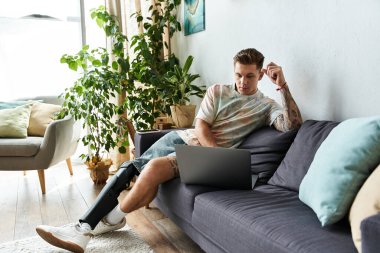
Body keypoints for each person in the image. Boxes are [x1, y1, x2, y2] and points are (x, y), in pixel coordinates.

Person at [36, 48, 302, 253]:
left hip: (204, 159)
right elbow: (201, 125)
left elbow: (292, 125)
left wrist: (283, 85)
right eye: (238, 75)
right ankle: (92, 225)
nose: (242, 82)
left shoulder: (266, 105)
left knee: (150, 169)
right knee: (133, 167)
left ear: (261, 74)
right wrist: (215, 152)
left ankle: (88, 228)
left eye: (250, 76)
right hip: (184, 139)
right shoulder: (218, 91)